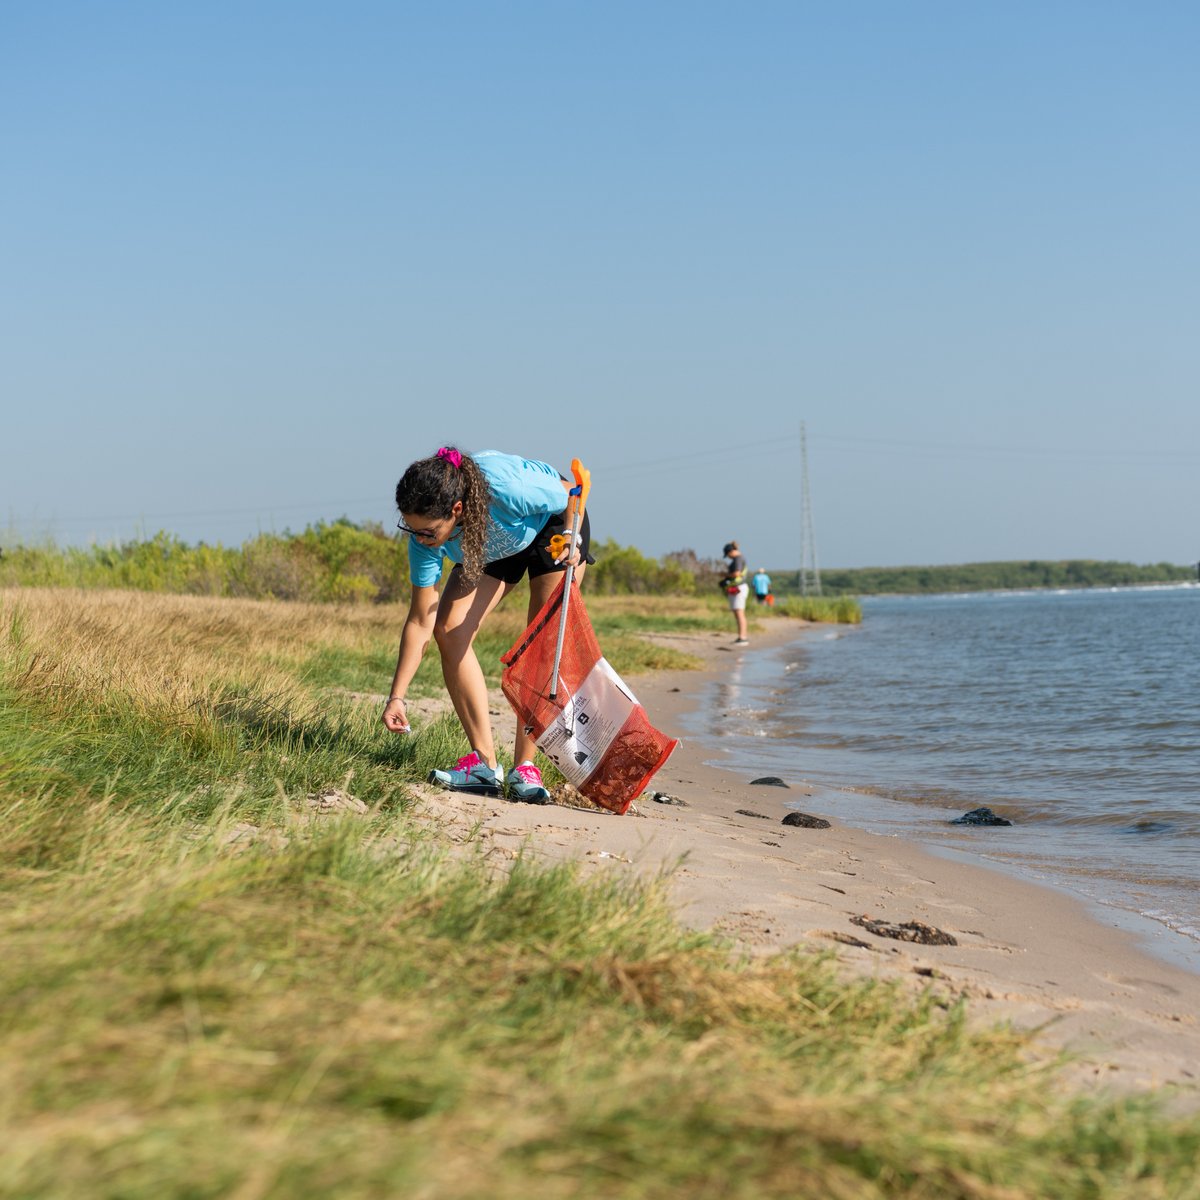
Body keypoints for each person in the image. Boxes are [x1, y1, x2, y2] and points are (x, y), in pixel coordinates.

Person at [382, 446, 592, 803]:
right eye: (411, 529)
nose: (420, 539)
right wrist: (396, 696)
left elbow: (572, 489)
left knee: (541, 637)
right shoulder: (425, 538)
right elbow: (420, 620)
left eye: (429, 532)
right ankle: (483, 764)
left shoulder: (508, 486)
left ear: (456, 510)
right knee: (449, 628)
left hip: (551, 527)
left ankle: (525, 767)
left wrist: (573, 536)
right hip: (490, 545)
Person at [721, 541, 749, 645]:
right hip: (738, 588)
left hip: (739, 588)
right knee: (738, 612)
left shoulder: (738, 559)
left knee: (739, 612)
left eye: (727, 555)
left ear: (731, 551)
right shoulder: (740, 558)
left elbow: (737, 573)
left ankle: (742, 637)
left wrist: (725, 575)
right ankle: (741, 636)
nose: (728, 557)